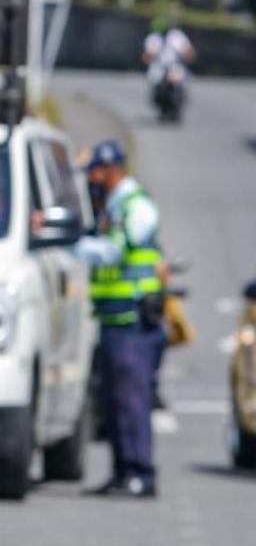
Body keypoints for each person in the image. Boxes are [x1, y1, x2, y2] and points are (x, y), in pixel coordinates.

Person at [77, 140, 164, 499]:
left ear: (110, 170)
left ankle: (140, 473)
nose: (92, 178)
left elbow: (115, 251)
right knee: (112, 402)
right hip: (114, 320)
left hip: (134, 322)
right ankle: (120, 470)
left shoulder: (135, 206)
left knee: (132, 400)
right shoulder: (113, 206)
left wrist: (70, 245)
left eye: (95, 171)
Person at [142, 14, 196, 89]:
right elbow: (146, 58)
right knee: (154, 75)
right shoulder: (153, 38)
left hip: (174, 66)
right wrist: (150, 56)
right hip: (159, 66)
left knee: (180, 75)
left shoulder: (176, 36)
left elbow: (189, 53)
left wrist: (186, 55)